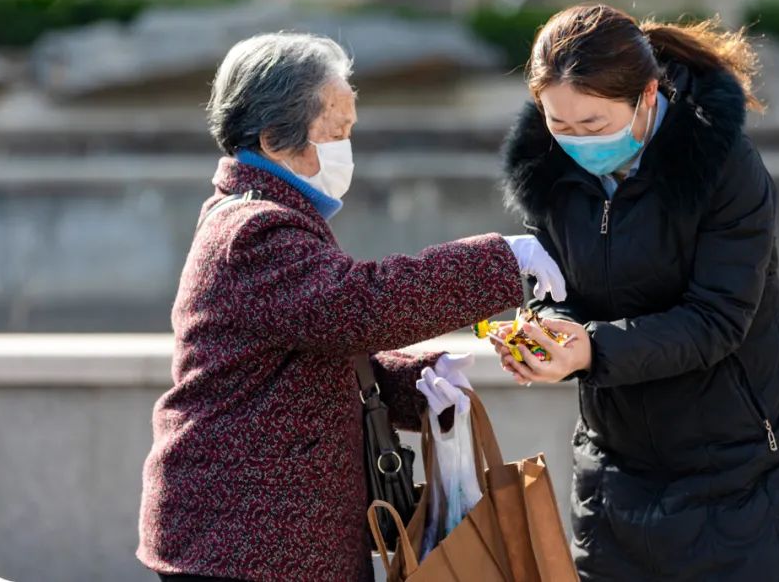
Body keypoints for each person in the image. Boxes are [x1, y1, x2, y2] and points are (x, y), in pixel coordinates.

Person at [136, 32, 566, 582]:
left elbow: (311, 356)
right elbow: (356, 306)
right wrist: (501, 259)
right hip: (244, 543)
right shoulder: (254, 229)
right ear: (273, 139)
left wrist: (422, 383)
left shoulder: (260, 214)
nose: (346, 146)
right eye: (336, 132)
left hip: (264, 538)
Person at [492, 4, 779, 581]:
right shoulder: (545, 168)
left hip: (743, 473)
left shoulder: (722, 167)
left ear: (648, 96)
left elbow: (718, 319)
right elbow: (551, 283)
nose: (574, 143)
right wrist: (545, 331)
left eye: (593, 126)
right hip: (615, 471)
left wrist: (593, 349)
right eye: (558, 124)